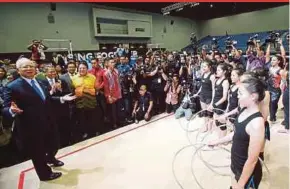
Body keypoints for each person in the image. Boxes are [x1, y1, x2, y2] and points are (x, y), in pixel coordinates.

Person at [1, 58, 76, 181]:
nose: (29, 69)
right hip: (31, 126)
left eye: (31, 66)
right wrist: (11, 111)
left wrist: (62, 99)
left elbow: (47, 99)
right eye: (25, 67)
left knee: (54, 143)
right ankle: (44, 174)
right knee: (38, 151)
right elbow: (5, 108)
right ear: (19, 70)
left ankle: (51, 158)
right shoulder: (12, 87)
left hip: (49, 120)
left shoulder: (41, 82)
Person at [208, 75, 266, 189]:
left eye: (241, 93)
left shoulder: (257, 123)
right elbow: (236, 134)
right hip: (236, 164)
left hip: (248, 173)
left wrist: (241, 184)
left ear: (253, 96)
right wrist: (217, 141)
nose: (237, 96)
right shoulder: (243, 110)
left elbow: (252, 160)